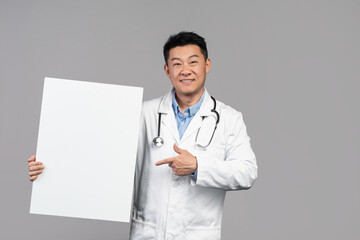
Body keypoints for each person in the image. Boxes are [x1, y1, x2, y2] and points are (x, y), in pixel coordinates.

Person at [28, 31, 258, 240]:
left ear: (207, 65)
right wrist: (52, 166)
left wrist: (198, 165)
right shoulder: (142, 113)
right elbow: (102, 158)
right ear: (167, 70)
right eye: (176, 63)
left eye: (193, 62)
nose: (185, 70)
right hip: (147, 234)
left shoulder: (229, 118)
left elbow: (247, 173)